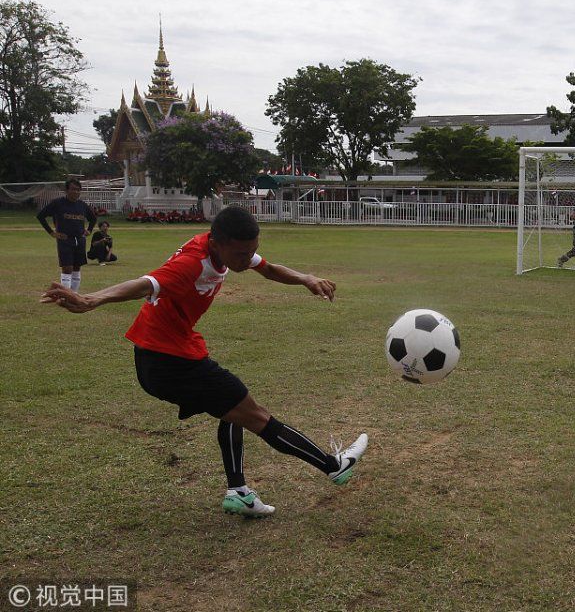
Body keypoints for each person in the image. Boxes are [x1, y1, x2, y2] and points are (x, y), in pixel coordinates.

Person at [41, 206, 368, 519]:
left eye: (250, 251)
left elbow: (267, 268)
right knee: (254, 414)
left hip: (168, 354)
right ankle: (333, 466)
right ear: (217, 244)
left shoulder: (226, 245)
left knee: (234, 407)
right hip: (166, 360)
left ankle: (238, 492)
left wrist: (306, 278)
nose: (246, 259)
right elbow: (146, 284)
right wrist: (92, 298)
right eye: (240, 254)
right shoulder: (191, 264)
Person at [36, 179, 98, 292]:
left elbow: (93, 219)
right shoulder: (58, 203)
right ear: (66, 190)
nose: (76, 192)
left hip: (80, 239)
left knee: (77, 267)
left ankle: (74, 295)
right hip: (65, 240)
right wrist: (52, 232)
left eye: (78, 190)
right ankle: (66, 296)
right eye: (73, 189)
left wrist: (89, 230)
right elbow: (41, 216)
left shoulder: (82, 205)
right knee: (67, 268)